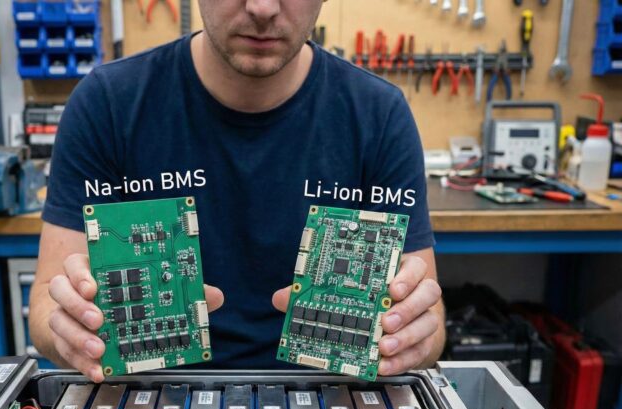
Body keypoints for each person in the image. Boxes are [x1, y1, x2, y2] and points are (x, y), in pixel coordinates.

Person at [30, 0, 445, 382]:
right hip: (151, 393)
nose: (262, 8)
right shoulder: (106, 104)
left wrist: (410, 336)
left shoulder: (380, 115)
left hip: (332, 393)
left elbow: (429, 318)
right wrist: (73, 331)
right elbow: (48, 305)